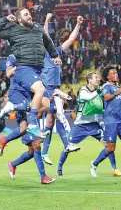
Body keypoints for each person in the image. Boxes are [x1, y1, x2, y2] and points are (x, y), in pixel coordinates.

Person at [0, 8, 60, 138]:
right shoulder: (13, 29)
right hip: (24, 67)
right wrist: (5, 19)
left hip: (37, 70)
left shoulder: (38, 28)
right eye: (26, 14)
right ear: (19, 19)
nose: (29, 16)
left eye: (29, 14)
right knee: (40, 90)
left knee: (45, 105)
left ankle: (14, 106)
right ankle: (33, 123)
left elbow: (48, 42)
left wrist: (55, 55)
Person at [57, 72, 121, 177]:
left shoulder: (99, 91)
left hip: (94, 125)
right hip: (80, 125)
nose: (98, 79)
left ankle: (114, 168)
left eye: (99, 77)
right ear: (89, 80)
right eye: (96, 77)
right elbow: (89, 97)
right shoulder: (83, 91)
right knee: (68, 147)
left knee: (109, 145)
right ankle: (59, 168)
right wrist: (100, 90)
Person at [39, 14, 84, 165]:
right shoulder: (43, 53)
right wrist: (46, 21)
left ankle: (45, 152)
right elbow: (44, 35)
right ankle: (66, 144)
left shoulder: (57, 50)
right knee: (57, 114)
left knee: (51, 120)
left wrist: (78, 24)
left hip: (54, 87)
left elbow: (71, 40)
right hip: (46, 87)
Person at [0, 54, 50, 156]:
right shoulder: (12, 57)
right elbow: (8, 74)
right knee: (34, 146)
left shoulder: (34, 56)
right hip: (18, 92)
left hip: (30, 90)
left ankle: (4, 140)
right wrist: (22, 66)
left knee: (23, 128)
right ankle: (36, 130)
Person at [7, 112, 56, 184]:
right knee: (37, 146)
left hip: (32, 125)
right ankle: (43, 177)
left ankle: (12, 164)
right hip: (27, 126)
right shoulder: (25, 103)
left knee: (31, 152)